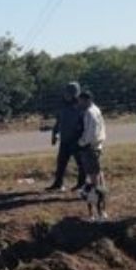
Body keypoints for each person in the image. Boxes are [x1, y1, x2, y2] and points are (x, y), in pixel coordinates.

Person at [46, 82, 86, 193]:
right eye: (65, 93)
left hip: (76, 140)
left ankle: (81, 184)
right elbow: (59, 121)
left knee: (81, 163)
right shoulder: (63, 106)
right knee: (61, 162)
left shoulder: (80, 107)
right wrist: (54, 134)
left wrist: (81, 137)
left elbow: (84, 123)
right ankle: (58, 183)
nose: (66, 95)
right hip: (65, 139)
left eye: (68, 93)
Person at [77, 91, 108, 219]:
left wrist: (81, 142)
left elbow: (90, 133)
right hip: (97, 147)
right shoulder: (96, 110)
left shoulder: (90, 113)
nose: (79, 103)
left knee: (94, 182)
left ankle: (99, 211)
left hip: (90, 148)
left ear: (87, 100)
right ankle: (99, 210)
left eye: (81, 101)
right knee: (98, 178)